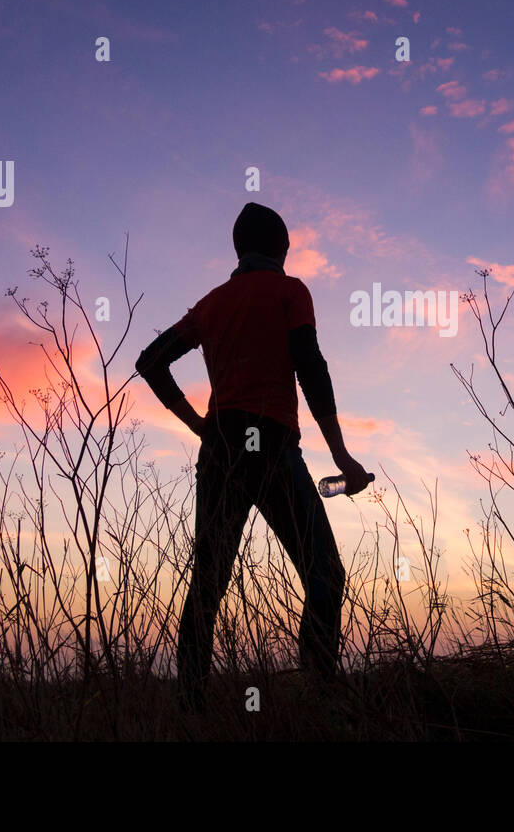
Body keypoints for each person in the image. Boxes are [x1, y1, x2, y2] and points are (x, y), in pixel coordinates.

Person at [135, 202, 371, 714]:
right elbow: (310, 366)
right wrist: (342, 456)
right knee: (324, 571)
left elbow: (149, 362)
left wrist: (201, 426)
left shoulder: (212, 303)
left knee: (208, 585)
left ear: (239, 249)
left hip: (220, 448)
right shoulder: (290, 290)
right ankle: (318, 693)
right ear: (283, 249)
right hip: (271, 447)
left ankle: (191, 709)